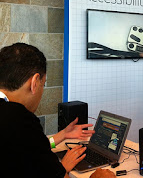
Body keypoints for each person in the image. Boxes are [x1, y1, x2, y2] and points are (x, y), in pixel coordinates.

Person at [0, 42, 95, 178]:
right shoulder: (21, 119)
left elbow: (30, 147)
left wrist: (62, 135)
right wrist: (63, 169)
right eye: (43, 84)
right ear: (35, 82)